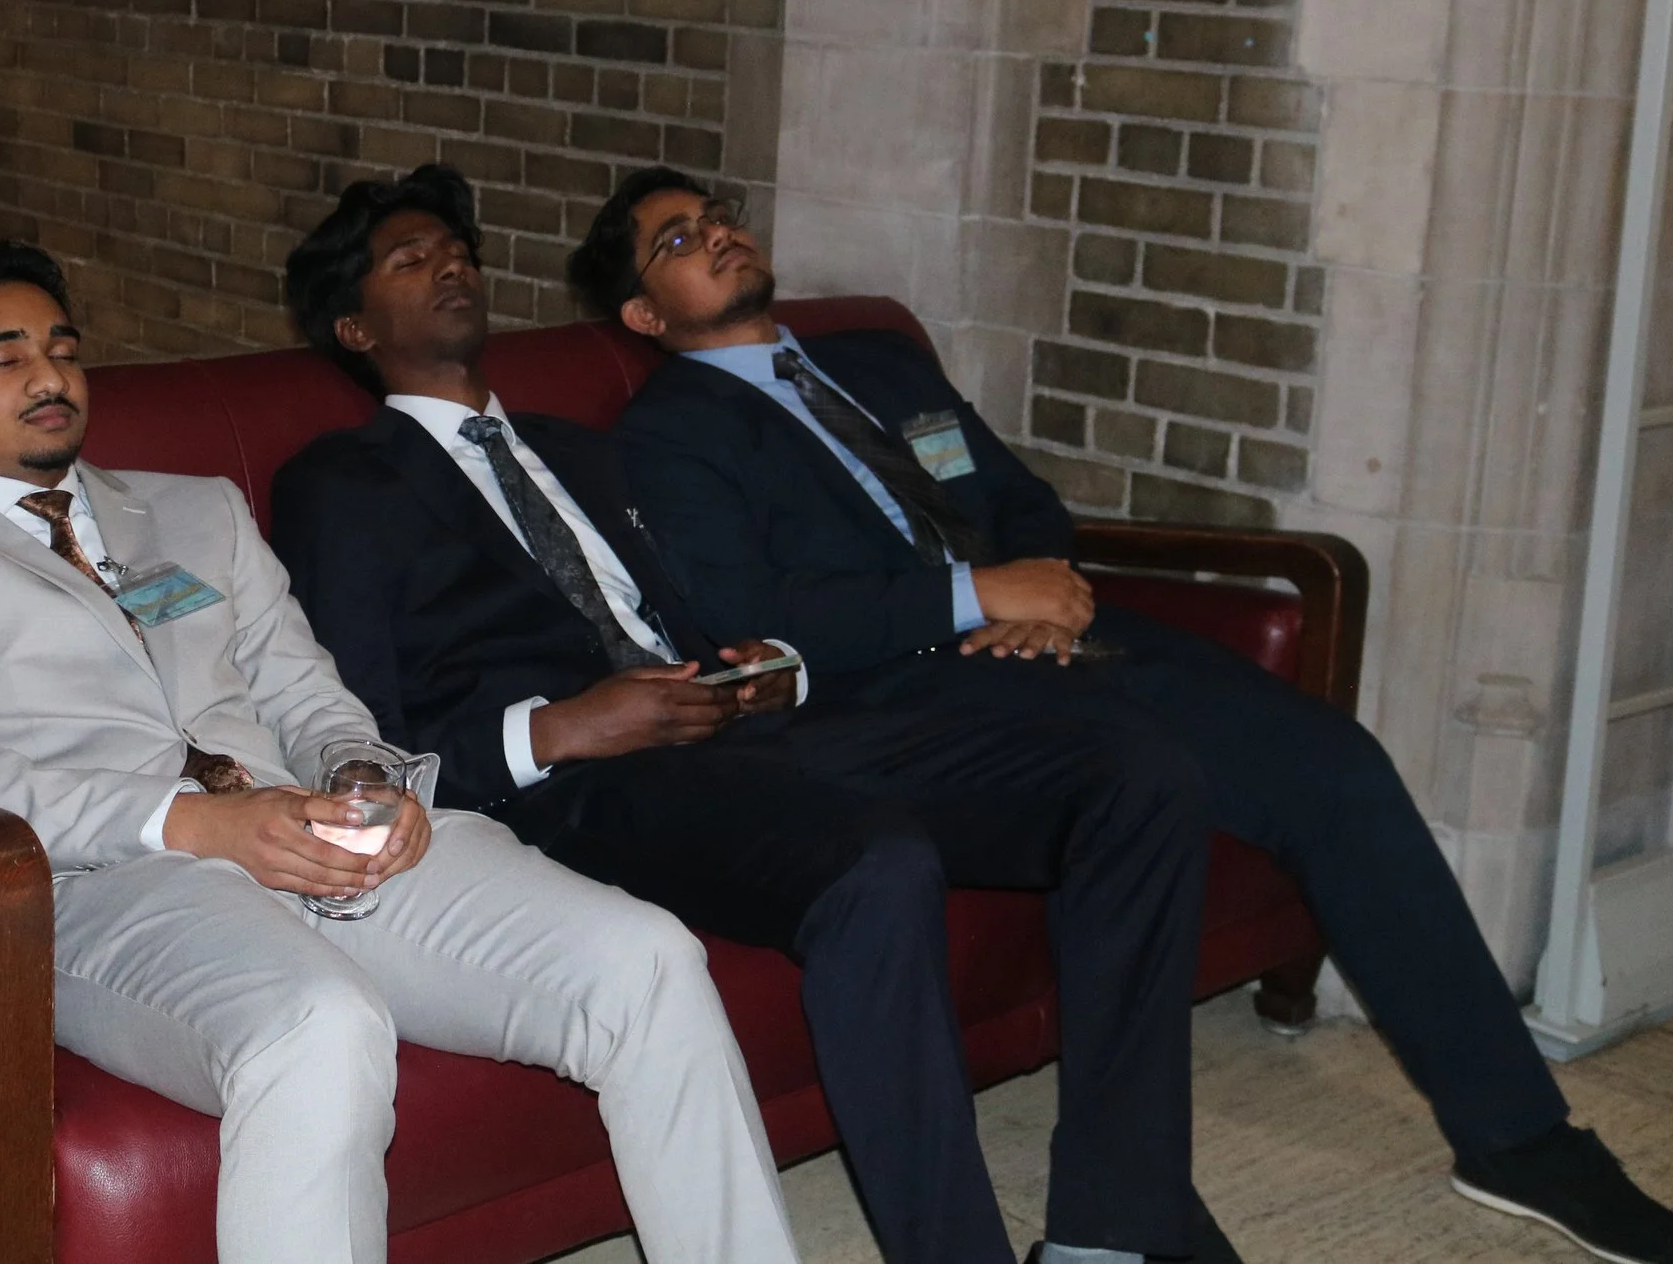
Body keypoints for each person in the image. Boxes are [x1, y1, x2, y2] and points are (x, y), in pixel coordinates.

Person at [569, 165, 1673, 1264]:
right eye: (678, 239)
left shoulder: (874, 359)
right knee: (1133, 773)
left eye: (717, 213)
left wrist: (1044, 587)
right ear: (642, 315)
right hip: (908, 684)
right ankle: (1122, 1218)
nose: (717, 233)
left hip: (1057, 637)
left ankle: (1520, 1138)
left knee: (1333, 763)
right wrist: (979, 595)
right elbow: (758, 616)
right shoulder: (670, 434)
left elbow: (1019, 496)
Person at [269, 166, 1227, 1264]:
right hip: (584, 782)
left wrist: (780, 666)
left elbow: (720, 609)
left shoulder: (582, 448)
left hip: (745, 723)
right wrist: (562, 727)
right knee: (876, 864)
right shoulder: (340, 484)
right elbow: (356, 721)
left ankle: (1110, 1232)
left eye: (457, 252)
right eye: (410, 260)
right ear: (354, 327)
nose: (450, 268)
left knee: (1134, 780)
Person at [0, 238, 802, 1264]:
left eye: (62, 347)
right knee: (320, 1024)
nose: (50, 375)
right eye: (3, 356)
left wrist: (361, 776)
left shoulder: (197, 508)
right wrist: (198, 822)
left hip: (313, 829)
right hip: (101, 881)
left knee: (646, 958)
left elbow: (307, 693)